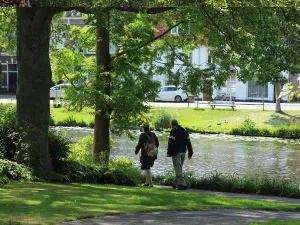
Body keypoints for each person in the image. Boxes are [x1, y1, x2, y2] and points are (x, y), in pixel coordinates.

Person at [167, 119, 193, 190]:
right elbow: (188, 142)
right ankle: (175, 183)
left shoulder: (173, 131)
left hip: (176, 153)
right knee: (179, 168)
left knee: (178, 169)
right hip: (183, 152)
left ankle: (182, 185)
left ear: (172, 125)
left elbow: (171, 143)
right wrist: (190, 152)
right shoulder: (184, 130)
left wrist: (169, 152)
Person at [135, 122, 159, 187]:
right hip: (153, 154)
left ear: (143, 128)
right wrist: (153, 150)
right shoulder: (153, 134)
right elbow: (157, 143)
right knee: (147, 167)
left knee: (147, 168)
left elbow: (139, 144)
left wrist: (136, 151)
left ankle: (151, 184)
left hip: (146, 154)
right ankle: (147, 182)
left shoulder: (142, 135)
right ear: (148, 127)